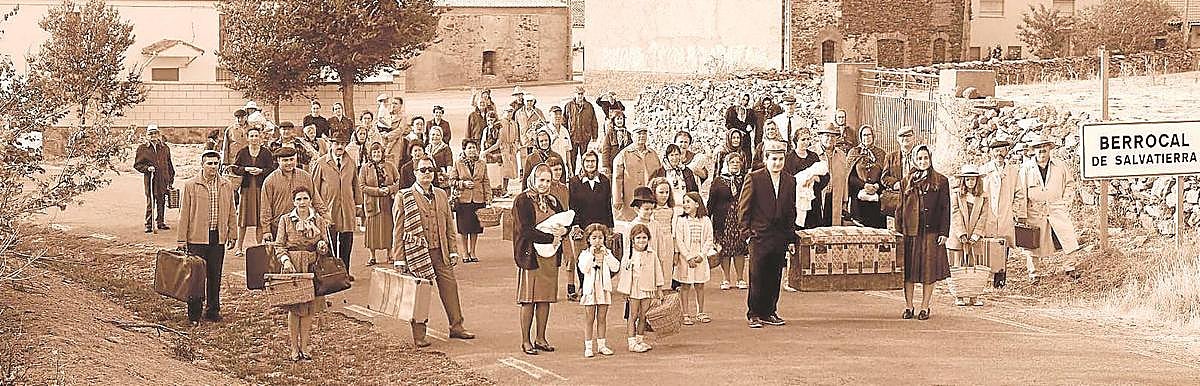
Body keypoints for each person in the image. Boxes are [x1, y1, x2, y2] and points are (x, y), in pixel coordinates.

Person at [391, 155, 476, 347]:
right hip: (417, 253)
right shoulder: (404, 197)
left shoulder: (441, 194)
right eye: (423, 170)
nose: (427, 173)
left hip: (441, 251)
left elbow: (448, 225)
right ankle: (419, 334)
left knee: (450, 288)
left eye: (430, 169)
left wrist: (453, 250)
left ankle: (456, 326)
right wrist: (399, 259)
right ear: (415, 173)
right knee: (421, 294)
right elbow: (398, 230)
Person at [737, 140, 797, 329]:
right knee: (757, 275)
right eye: (774, 159)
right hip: (758, 236)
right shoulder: (754, 178)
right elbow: (743, 208)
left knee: (775, 275)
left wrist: (790, 238)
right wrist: (747, 234)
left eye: (780, 159)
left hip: (779, 236)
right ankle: (754, 313)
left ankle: (770, 312)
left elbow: (791, 211)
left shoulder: (790, 181)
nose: (777, 163)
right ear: (766, 159)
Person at [512, 163, 566, 355]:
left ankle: (541, 338)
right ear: (533, 179)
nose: (544, 184)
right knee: (529, 300)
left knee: (545, 299)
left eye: (548, 181)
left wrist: (563, 231)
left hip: (550, 257)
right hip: (531, 256)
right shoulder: (522, 200)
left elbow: (564, 222)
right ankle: (526, 341)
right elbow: (525, 230)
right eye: (541, 180)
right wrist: (551, 237)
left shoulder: (553, 201)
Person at [177, 150, 237, 324]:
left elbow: (232, 210)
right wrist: (181, 239)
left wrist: (232, 233)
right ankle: (194, 313)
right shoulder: (191, 185)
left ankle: (212, 310)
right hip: (196, 238)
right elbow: (184, 214)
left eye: (216, 163)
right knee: (196, 277)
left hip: (217, 237)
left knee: (214, 274)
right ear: (202, 165)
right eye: (209, 163)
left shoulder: (226, 185)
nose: (213, 167)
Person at [274, 186, 329, 361]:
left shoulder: (318, 220)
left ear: (310, 200)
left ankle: (305, 346)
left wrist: (321, 246)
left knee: (309, 308)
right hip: (293, 266)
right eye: (298, 199)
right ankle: (293, 347)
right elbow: (279, 245)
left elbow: (325, 243)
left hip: (312, 265)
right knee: (295, 307)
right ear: (293, 202)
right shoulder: (285, 220)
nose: (302, 202)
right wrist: (286, 261)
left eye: (305, 198)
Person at [1013, 137, 1080, 281]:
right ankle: (1034, 273)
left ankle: (1070, 267)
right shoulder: (1026, 168)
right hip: (1035, 210)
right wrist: (1022, 214)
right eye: (1038, 147)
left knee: (1068, 237)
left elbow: (1070, 184)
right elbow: (1021, 192)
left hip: (1057, 207)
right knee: (1032, 243)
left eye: (1044, 147)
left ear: (1050, 148)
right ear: (1034, 150)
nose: (1042, 150)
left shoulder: (1060, 166)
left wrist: (1065, 203)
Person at [897, 144, 951, 321]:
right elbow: (900, 209)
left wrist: (944, 232)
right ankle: (909, 306)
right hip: (910, 232)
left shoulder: (941, 181)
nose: (923, 161)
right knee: (909, 271)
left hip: (931, 232)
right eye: (919, 158)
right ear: (914, 160)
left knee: (928, 271)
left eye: (925, 158)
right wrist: (898, 233)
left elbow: (945, 208)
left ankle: (925, 306)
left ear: (930, 159)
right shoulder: (906, 181)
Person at [567, 151, 614, 298]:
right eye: (587, 161)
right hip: (582, 225)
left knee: (600, 256)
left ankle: (600, 287)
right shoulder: (574, 182)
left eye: (592, 161)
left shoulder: (604, 181)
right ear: (583, 163)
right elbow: (572, 205)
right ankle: (583, 286)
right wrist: (575, 225)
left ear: (597, 163)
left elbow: (608, 204)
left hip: (600, 225)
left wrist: (610, 226)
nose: (590, 164)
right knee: (583, 258)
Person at [311, 141, 361, 276]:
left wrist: (358, 205)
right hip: (329, 211)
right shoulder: (321, 163)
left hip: (347, 210)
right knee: (329, 244)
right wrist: (316, 210)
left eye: (342, 144)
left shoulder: (350, 163)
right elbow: (314, 189)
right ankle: (331, 273)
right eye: (336, 143)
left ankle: (345, 272)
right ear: (330, 144)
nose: (340, 147)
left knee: (346, 244)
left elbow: (356, 185)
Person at [614, 223, 665, 353]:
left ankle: (639, 340)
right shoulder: (629, 255)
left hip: (648, 287)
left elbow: (657, 271)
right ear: (632, 239)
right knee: (633, 315)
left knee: (644, 315)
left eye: (644, 237)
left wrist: (659, 289)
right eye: (638, 238)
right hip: (633, 289)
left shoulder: (652, 254)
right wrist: (625, 290)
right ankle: (631, 342)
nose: (641, 240)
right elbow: (624, 273)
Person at [259, 147, 325, 242]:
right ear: (278, 160)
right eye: (285, 160)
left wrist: (325, 217)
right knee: (280, 251)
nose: (289, 163)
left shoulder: (305, 176)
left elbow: (316, 199)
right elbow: (265, 207)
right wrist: (266, 230)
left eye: (292, 159)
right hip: (278, 226)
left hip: (304, 226)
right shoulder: (270, 181)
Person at [979, 139, 1019, 287]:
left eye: (1002, 150)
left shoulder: (1013, 171)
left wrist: (1015, 212)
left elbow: (1019, 193)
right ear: (991, 152)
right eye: (996, 150)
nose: (999, 153)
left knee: (1003, 246)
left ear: (1006, 151)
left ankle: (1000, 281)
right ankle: (983, 280)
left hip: (1005, 215)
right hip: (987, 215)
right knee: (986, 247)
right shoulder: (983, 171)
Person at [948, 165, 989, 307]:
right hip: (959, 234)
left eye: (973, 179)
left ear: (977, 180)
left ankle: (973, 295)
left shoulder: (983, 197)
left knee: (974, 264)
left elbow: (983, 216)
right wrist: (961, 233)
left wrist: (976, 234)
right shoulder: (957, 195)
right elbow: (955, 214)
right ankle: (959, 295)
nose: (970, 182)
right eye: (967, 179)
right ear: (963, 181)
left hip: (974, 235)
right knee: (958, 264)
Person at [231, 127, 276, 256]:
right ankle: (239, 247)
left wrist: (261, 171)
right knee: (243, 220)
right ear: (247, 138)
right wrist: (245, 169)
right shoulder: (242, 152)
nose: (254, 138)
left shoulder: (266, 153)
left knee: (260, 219)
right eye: (251, 136)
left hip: (261, 189)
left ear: (260, 137)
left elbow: (272, 168)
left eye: (256, 136)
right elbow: (235, 168)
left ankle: (258, 247)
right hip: (246, 189)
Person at [577, 223, 620, 357]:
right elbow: (584, 268)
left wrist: (607, 255)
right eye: (594, 238)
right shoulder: (584, 254)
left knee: (602, 318)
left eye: (600, 238)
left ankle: (602, 345)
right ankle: (588, 347)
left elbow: (615, 267)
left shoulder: (607, 253)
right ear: (588, 239)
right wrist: (591, 255)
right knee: (589, 319)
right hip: (590, 290)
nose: (597, 241)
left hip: (603, 289)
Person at [709, 152, 749, 290]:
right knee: (724, 249)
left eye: (738, 162)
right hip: (723, 220)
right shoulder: (718, 181)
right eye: (732, 162)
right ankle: (726, 279)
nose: (735, 165)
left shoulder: (745, 179)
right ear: (727, 164)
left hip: (739, 219)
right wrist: (707, 217)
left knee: (739, 249)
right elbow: (711, 202)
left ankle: (740, 278)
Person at [673, 192, 715, 325]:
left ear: (697, 204)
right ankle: (685, 313)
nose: (685, 204)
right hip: (686, 257)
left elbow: (709, 239)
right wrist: (688, 257)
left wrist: (702, 255)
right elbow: (679, 240)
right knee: (685, 285)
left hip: (700, 256)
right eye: (684, 202)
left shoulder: (706, 220)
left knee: (700, 284)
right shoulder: (681, 220)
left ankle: (700, 312)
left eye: (688, 202)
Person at [451, 139, 491, 263]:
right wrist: (463, 184)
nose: (472, 150)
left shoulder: (482, 163)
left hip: (478, 199)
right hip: (463, 199)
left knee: (475, 228)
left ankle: (472, 251)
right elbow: (451, 180)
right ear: (464, 150)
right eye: (469, 148)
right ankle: (464, 252)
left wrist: (488, 197)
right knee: (464, 228)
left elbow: (486, 181)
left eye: (474, 147)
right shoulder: (458, 163)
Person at [359, 142, 399, 266]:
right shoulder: (365, 168)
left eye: (379, 152)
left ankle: (390, 255)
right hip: (373, 203)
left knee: (388, 228)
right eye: (374, 152)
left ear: (382, 153)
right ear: (370, 154)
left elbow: (398, 181)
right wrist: (377, 191)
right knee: (372, 230)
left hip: (387, 202)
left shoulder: (390, 166)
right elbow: (362, 186)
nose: (377, 154)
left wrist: (390, 189)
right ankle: (372, 256)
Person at [611, 126, 662, 221]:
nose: (642, 136)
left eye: (644, 133)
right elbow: (617, 178)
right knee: (631, 222)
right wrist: (617, 199)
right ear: (632, 136)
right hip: (630, 196)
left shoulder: (653, 154)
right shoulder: (624, 154)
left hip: (649, 196)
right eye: (639, 134)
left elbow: (659, 175)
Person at [133, 125, 176, 233]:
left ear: (158, 134)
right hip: (151, 179)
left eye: (155, 133)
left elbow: (169, 164)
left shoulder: (165, 148)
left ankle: (160, 222)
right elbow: (137, 165)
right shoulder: (142, 148)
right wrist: (147, 168)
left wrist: (171, 178)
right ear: (147, 135)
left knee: (161, 200)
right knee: (150, 201)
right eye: (150, 134)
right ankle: (149, 224)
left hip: (163, 178)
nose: (153, 135)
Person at [786, 129, 827, 230]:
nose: (806, 142)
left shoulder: (814, 156)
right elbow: (786, 179)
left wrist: (814, 178)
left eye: (808, 139)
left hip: (813, 200)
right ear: (796, 141)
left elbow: (826, 176)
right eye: (803, 139)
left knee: (813, 230)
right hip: (795, 200)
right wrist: (801, 182)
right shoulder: (789, 158)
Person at [847, 125, 886, 228]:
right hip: (859, 200)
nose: (867, 137)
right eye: (864, 135)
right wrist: (864, 185)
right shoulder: (854, 152)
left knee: (877, 230)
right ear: (860, 137)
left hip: (876, 199)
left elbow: (885, 175)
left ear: (873, 136)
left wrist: (877, 186)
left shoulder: (881, 154)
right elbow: (849, 176)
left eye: (869, 135)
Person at [812, 124, 849, 226]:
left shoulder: (841, 155)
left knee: (834, 228)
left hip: (835, 197)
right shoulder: (812, 153)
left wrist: (845, 200)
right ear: (821, 137)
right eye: (827, 136)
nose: (830, 139)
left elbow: (845, 178)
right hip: (817, 198)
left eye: (833, 136)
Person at [881, 126, 917, 218]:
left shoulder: (920, 156)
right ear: (897, 139)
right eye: (902, 136)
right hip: (897, 200)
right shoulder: (890, 157)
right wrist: (895, 184)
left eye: (908, 135)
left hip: (916, 200)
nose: (905, 138)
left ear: (914, 137)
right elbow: (884, 178)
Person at [565, 86, 599, 169]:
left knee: (585, 158)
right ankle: (572, 174)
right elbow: (564, 121)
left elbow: (594, 122)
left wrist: (594, 136)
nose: (580, 96)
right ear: (575, 94)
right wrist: (565, 136)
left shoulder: (589, 106)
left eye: (582, 94)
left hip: (585, 137)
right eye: (578, 94)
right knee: (572, 159)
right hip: (572, 137)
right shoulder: (569, 106)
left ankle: (584, 173)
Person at [601, 110, 632, 174]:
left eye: (621, 119)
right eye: (617, 119)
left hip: (626, 163)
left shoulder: (628, 134)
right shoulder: (610, 134)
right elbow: (606, 151)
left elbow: (632, 149)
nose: (619, 121)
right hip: (613, 163)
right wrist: (605, 166)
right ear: (614, 120)